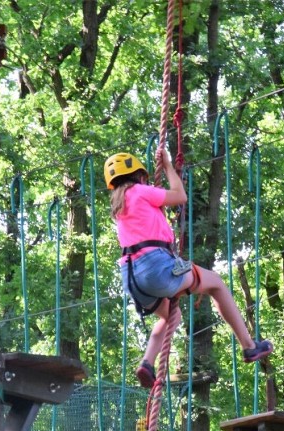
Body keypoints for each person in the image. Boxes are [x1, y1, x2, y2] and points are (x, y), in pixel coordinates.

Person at [105, 148, 274, 388]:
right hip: (156, 267)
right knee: (216, 283)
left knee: (170, 317)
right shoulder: (140, 191)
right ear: (140, 176)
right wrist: (168, 166)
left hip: (132, 276)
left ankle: (146, 363)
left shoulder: (119, 206)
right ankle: (249, 346)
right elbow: (179, 196)